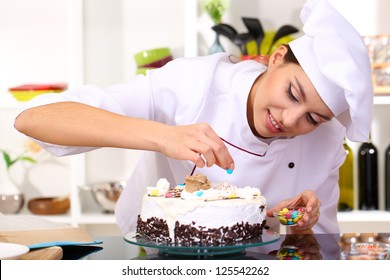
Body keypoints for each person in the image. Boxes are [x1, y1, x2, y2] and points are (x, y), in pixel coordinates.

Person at [14, 0, 373, 235]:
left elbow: (322, 250)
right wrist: (163, 136)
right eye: (292, 93)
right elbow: (35, 119)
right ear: (276, 57)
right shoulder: (194, 83)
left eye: (312, 117)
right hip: (154, 255)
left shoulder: (325, 140)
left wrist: (298, 223)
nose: (291, 119)